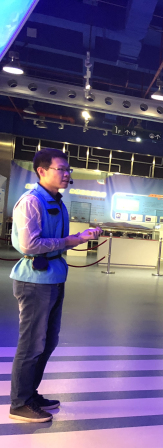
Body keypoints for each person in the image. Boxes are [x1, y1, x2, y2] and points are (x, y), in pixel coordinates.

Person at [9, 148, 101, 423]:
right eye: (61, 169)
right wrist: (71, 240)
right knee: (31, 344)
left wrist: (78, 237)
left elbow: (53, 241)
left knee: (48, 342)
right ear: (41, 171)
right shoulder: (31, 201)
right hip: (34, 281)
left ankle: (30, 394)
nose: (66, 174)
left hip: (53, 278)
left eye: (68, 169)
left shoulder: (57, 202)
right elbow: (29, 245)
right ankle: (20, 403)